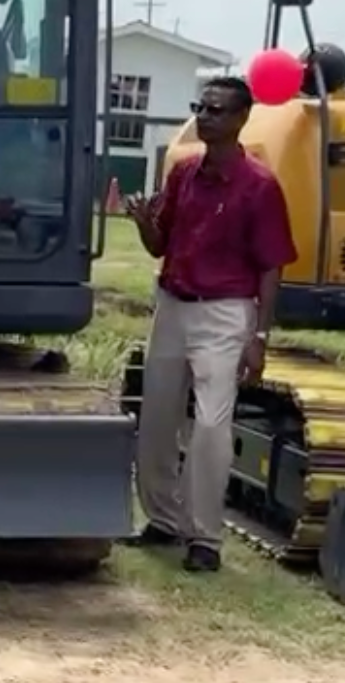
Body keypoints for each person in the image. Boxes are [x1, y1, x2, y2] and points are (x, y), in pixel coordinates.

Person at [125, 75, 297, 573]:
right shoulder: (183, 173)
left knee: (211, 426)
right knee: (156, 417)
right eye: (201, 107)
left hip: (225, 311)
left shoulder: (260, 187)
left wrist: (259, 337)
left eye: (218, 110)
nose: (205, 116)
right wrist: (142, 221)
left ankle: (204, 537)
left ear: (241, 119)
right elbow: (160, 244)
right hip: (174, 302)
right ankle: (162, 519)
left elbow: (271, 266)